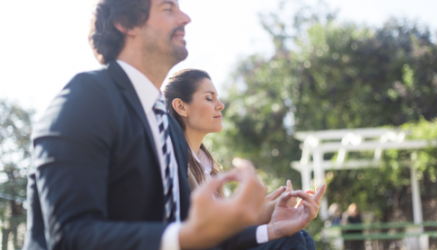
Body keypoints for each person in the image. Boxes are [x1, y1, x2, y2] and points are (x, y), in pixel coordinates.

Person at [23, 0, 326, 249]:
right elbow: (70, 236)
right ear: (126, 24)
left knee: (294, 241)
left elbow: (188, 230)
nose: (186, 17)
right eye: (168, 8)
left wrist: (271, 229)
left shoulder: (166, 128)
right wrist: (188, 236)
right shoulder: (85, 101)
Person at [164, 69, 320, 250]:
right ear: (181, 107)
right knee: (292, 240)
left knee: (302, 236)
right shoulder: (175, 162)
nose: (220, 105)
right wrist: (255, 217)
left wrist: (264, 213)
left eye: (217, 97)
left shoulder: (207, 167)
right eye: (209, 98)